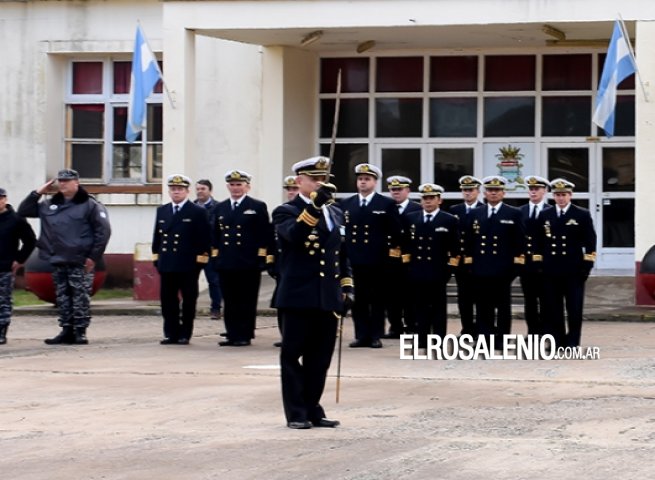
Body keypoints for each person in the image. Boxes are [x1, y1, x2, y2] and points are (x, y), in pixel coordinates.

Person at [272, 155, 353, 429]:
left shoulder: (337, 212)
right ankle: (296, 413)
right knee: (293, 356)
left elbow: (341, 254)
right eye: (314, 179)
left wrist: (347, 285)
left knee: (320, 359)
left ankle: (312, 408)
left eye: (323, 179)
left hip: (326, 297)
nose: (320, 183)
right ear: (299, 181)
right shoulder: (286, 210)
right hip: (297, 295)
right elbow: (294, 236)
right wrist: (314, 208)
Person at [18, 169, 111, 345]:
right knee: (63, 296)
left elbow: (103, 232)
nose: (62, 184)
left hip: (80, 259)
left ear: (77, 182)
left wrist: (93, 257)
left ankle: (80, 331)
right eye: (60, 181)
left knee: (80, 296)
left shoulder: (90, 205)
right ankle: (66, 329)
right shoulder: (49, 205)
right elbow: (24, 210)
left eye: (67, 181)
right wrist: (38, 192)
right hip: (58, 258)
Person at [340, 163, 403, 349]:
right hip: (355, 260)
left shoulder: (386, 204)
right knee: (358, 300)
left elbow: (396, 233)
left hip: (378, 261)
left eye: (367, 179)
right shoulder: (347, 203)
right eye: (360, 179)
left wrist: (391, 259)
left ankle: (376, 335)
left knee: (377, 300)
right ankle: (361, 335)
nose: (362, 183)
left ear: (375, 182)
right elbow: (343, 231)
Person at [211, 170, 273, 347]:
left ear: (247, 186)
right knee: (229, 300)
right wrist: (216, 257)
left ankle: (244, 334)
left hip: (248, 262)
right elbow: (215, 234)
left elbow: (264, 234)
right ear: (227, 186)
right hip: (227, 261)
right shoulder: (220, 208)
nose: (236, 188)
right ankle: (232, 333)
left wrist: (261, 258)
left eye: (239, 185)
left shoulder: (257, 206)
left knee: (246, 299)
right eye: (232, 185)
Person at [463, 176, 525, 348]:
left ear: (503, 193)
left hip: (503, 271)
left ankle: (501, 339)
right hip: (481, 269)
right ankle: (485, 337)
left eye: (497, 190)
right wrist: (470, 265)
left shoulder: (513, 213)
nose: (493, 193)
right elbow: (468, 241)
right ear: (484, 192)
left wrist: (515, 269)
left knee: (503, 308)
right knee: (483, 307)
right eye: (490, 190)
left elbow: (520, 243)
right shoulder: (476, 213)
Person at [533, 178, 596, 347]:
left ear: (570, 195)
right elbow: (538, 241)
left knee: (574, 308)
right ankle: (557, 340)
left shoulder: (581, 214)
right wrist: (538, 264)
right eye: (558, 195)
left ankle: (573, 341)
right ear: (553, 196)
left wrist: (587, 266)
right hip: (551, 269)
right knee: (553, 308)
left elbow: (590, 242)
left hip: (573, 269)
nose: (561, 198)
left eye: (564, 195)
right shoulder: (546, 214)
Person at [152, 174, 211, 345]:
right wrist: (157, 258)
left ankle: (185, 333)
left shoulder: (197, 211)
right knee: (168, 300)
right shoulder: (162, 211)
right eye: (173, 189)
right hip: (167, 262)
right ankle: (170, 332)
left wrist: (200, 262)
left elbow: (204, 239)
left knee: (188, 300)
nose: (176, 192)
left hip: (188, 264)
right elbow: (157, 238)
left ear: (187, 191)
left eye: (180, 189)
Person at [401, 184, 459, 349]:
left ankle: (438, 338)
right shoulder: (411, 218)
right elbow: (405, 245)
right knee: (419, 307)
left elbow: (455, 249)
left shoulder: (449, 220)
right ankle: (421, 338)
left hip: (438, 271)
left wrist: (449, 270)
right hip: (417, 270)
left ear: (439, 200)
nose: (427, 201)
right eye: (424, 198)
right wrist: (408, 267)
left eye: (431, 198)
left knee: (438, 308)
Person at [384, 175, 421, 338]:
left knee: (411, 294)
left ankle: (412, 325)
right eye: (393, 190)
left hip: (411, 258)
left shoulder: (417, 208)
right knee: (392, 295)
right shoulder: (386, 207)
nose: (396, 193)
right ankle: (395, 326)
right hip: (390, 259)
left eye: (399, 189)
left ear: (408, 191)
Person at [448, 175, 485, 338]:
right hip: (461, 261)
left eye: (471, 190)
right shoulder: (455, 210)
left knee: (481, 298)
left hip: (479, 261)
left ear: (477, 191)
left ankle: (480, 328)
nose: (467, 193)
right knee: (464, 298)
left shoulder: (484, 209)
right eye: (465, 190)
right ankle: (467, 328)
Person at [0, 188, 36, 345]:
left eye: (0, 198)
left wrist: (19, 259)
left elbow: (30, 241)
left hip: (4, 267)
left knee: (3, 301)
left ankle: (1, 331)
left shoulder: (16, 219)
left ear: (4, 199)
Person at [519, 175, 552, 336]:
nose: (533, 192)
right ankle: (532, 331)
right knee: (530, 301)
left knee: (546, 300)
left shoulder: (550, 211)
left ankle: (545, 332)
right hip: (527, 264)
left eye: (537, 189)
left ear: (544, 191)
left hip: (545, 264)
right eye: (531, 189)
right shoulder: (520, 211)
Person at [272, 175, 301, 348]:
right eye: (289, 190)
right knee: (283, 303)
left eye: (294, 189)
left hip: (298, 264)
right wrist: (270, 262)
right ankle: (286, 335)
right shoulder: (282, 211)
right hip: (283, 264)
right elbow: (272, 241)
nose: (291, 192)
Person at [194, 179, 223, 320]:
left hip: (211, 250)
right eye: (198, 189)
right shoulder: (191, 207)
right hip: (194, 251)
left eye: (203, 189)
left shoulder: (218, 207)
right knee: (190, 281)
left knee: (214, 281)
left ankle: (216, 308)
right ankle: (189, 306)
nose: (200, 191)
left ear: (210, 191)